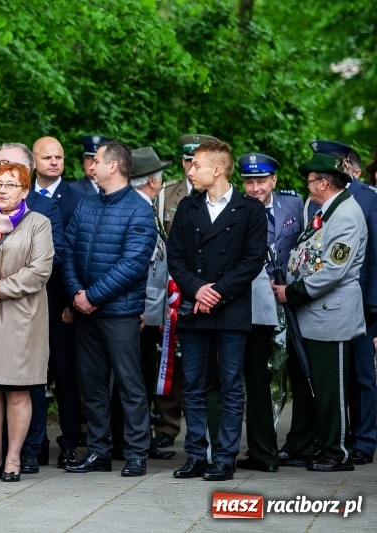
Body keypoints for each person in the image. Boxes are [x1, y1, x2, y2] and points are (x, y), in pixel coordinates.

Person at [0, 142, 64, 475]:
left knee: (17, 391)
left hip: (22, 318)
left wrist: (0, 288)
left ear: (25, 190)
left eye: (11, 185)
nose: (3, 190)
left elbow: (39, 271)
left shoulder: (39, 223)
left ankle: (15, 459)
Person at [167, 140, 267, 481]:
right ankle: (196, 454)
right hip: (196, 308)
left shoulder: (250, 210)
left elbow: (252, 261)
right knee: (193, 386)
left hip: (231, 309)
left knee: (230, 387)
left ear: (217, 170)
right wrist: (197, 290)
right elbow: (175, 257)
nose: (190, 171)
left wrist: (217, 292)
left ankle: (225, 457)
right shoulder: (187, 208)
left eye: (196, 165)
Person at [62, 141, 157, 477]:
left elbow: (133, 264)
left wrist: (93, 296)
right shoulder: (87, 204)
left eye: (98, 160)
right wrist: (75, 291)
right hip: (86, 311)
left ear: (113, 166)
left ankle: (135, 454)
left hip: (119, 313)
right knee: (92, 384)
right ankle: (99, 451)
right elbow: (69, 250)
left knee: (130, 384)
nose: (92, 165)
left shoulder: (139, 209)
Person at [272, 152, 367, 472]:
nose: (307, 186)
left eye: (310, 181)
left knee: (330, 387)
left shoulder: (346, 216)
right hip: (314, 314)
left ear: (324, 183)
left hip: (331, 315)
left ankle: (338, 452)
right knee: (307, 384)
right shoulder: (328, 210)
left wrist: (292, 291)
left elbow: (333, 271)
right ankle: (303, 444)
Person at [236, 152, 302, 473]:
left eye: (261, 181)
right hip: (256, 304)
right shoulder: (237, 208)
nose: (254, 188)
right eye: (249, 181)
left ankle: (301, 441)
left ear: (274, 180)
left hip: (293, 301)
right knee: (262, 373)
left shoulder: (294, 205)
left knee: (294, 369)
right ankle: (265, 444)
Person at [152, 133, 218, 450]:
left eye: (197, 159)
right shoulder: (166, 195)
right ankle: (167, 425)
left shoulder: (220, 195)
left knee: (207, 358)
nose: (191, 165)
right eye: (186, 159)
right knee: (170, 355)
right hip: (173, 287)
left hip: (210, 287)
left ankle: (205, 426)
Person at [116, 146, 175, 462]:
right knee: (135, 379)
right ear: (153, 181)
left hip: (148, 312)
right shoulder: (139, 211)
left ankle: (136, 438)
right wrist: (142, 308)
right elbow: (137, 267)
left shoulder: (145, 207)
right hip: (140, 312)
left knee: (140, 377)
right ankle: (132, 440)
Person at [31, 136, 84, 468]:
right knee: (32, 374)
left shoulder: (78, 198)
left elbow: (76, 254)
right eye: (47, 157)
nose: (54, 162)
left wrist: (71, 302)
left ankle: (69, 443)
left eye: (59, 157)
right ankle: (35, 444)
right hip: (26, 303)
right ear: (33, 160)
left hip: (60, 301)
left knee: (65, 374)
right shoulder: (23, 196)